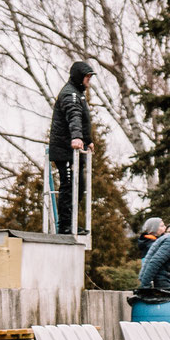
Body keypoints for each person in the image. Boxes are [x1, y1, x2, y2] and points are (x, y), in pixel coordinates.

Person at [47, 61, 94, 234]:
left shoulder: (77, 93)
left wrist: (87, 140)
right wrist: (76, 137)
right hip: (65, 151)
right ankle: (65, 226)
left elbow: (83, 119)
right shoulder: (70, 95)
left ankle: (72, 222)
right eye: (87, 77)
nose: (88, 80)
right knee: (68, 186)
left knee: (79, 186)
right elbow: (74, 116)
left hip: (72, 151)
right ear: (78, 77)